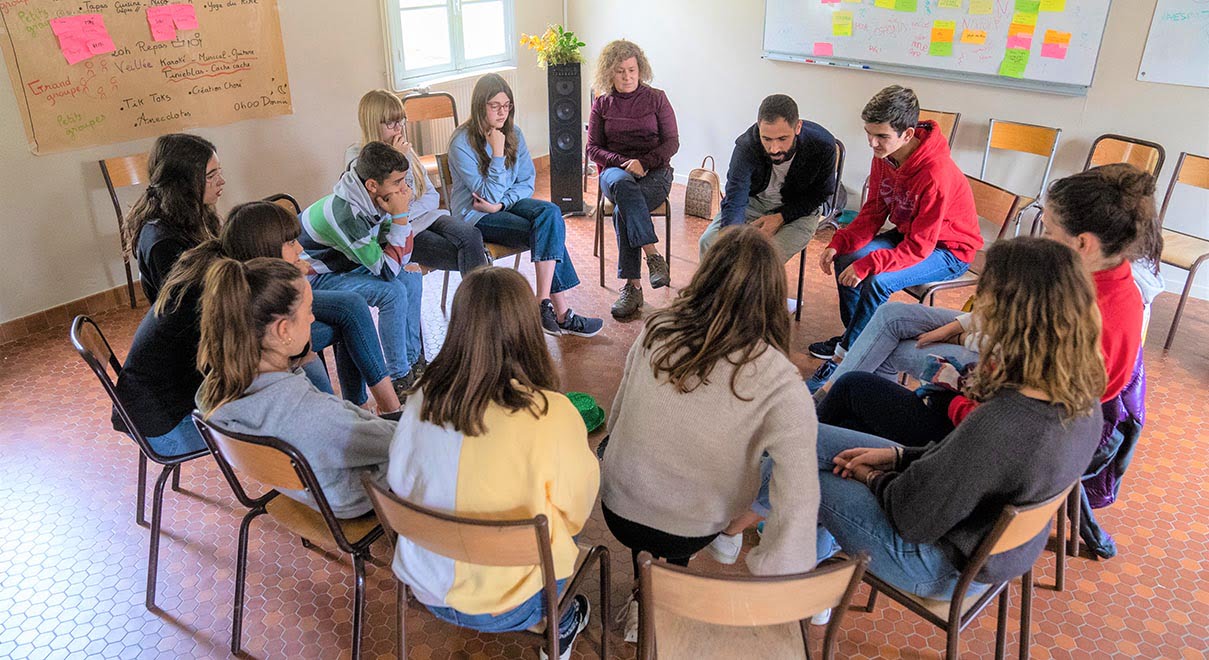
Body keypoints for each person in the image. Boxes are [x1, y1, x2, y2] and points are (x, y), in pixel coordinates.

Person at [804, 238, 1104, 609]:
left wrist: (872, 476)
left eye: (987, 298)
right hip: (982, 552)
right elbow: (961, 471)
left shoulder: (1001, 422)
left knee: (802, 460)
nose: (981, 307)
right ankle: (798, 557)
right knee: (811, 439)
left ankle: (780, 559)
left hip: (936, 566)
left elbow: (912, 516)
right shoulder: (1084, 401)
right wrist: (898, 457)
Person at [601, 226, 818, 643]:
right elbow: (799, 495)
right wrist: (774, 564)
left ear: (705, 274)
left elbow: (618, 414)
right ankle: (658, 599)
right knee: (685, 515)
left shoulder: (658, 328)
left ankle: (641, 593)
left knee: (651, 500)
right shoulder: (781, 380)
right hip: (695, 522)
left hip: (619, 504)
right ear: (772, 297)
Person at [387, 267, 598, 660]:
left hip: (425, 585)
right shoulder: (553, 414)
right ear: (529, 329)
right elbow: (576, 515)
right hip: (515, 606)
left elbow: (399, 481)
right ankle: (563, 624)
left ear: (458, 325)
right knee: (564, 541)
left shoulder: (420, 396)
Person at [155, 201, 402, 414]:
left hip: (208, 391)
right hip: (174, 412)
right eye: (291, 242)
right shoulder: (237, 294)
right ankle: (374, 411)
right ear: (266, 250)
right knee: (338, 325)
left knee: (350, 310)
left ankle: (361, 408)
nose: (301, 248)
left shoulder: (240, 273)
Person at [807, 85, 981, 386]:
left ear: (908, 134)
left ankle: (846, 356)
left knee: (877, 280)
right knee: (847, 258)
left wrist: (869, 264)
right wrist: (841, 243)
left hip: (948, 251)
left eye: (881, 136)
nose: (872, 143)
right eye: (868, 133)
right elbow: (873, 212)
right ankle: (859, 340)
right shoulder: (885, 156)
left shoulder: (935, 174)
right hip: (910, 238)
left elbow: (919, 247)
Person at [197, 257, 395, 518]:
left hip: (307, 489)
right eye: (309, 310)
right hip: (356, 499)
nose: (313, 318)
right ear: (283, 330)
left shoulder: (214, 389)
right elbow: (398, 443)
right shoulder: (311, 414)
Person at [447, 73, 603, 338]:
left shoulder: (513, 133)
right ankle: (562, 313)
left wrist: (502, 205)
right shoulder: (461, 142)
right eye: (494, 105)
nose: (502, 112)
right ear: (479, 106)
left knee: (551, 213)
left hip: (504, 205)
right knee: (547, 229)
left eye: (506, 105)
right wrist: (497, 153)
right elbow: (487, 195)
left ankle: (542, 302)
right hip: (475, 214)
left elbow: (526, 181)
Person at [300, 141, 425, 395]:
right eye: (398, 182)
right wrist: (400, 216)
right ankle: (400, 377)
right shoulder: (347, 214)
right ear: (372, 185)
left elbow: (402, 256)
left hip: (348, 262)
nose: (405, 189)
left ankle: (413, 362)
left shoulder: (376, 196)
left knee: (411, 277)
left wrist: (400, 220)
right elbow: (387, 270)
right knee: (393, 292)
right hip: (318, 276)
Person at [347, 89, 489, 276]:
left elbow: (431, 195)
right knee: (466, 255)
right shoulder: (359, 159)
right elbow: (390, 208)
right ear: (373, 123)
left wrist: (408, 210)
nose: (399, 128)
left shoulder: (407, 151)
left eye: (401, 121)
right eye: (391, 123)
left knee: (472, 236)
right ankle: (480, 302)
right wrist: (399, 159)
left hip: (426, 217)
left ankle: (479, 299)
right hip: (397, 230)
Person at [586, 39, 679, 319]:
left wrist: (645, 162)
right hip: (616, 174)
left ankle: (632, 288)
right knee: (623, 187)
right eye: (620, 71)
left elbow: (672, 143)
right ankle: (652, 255)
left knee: (622, 211)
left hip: (655, 174)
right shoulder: (602, 104)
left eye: (631, 70)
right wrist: (623, 162)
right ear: (609, 74)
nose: (627, 77)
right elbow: (592, 149)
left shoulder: (656, 98)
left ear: (640, 70)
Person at [696, 94, 835, 264]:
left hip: (799, 211)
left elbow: (820, 195)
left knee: (761, 261)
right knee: (710, 244)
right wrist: (730, 240)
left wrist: (781, 217)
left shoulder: (823, 145)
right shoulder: (747, 146)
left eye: (782, 139)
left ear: (798, 127)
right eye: (766, 139)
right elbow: (735, 198)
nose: (774, 149)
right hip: (753, 204)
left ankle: (745, 290)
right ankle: (714, 290)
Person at [125, 133, 225, 303]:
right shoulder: (162, 242)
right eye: (210, 176)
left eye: (219, 172)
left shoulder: (195, 211)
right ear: (181, 184)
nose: (221, 181)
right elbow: (188, 307)